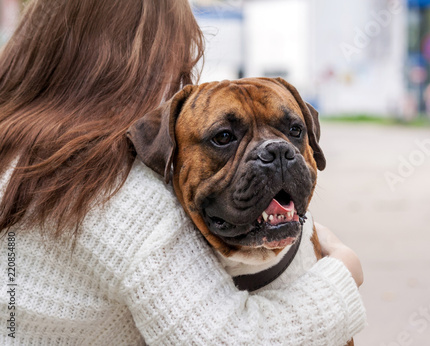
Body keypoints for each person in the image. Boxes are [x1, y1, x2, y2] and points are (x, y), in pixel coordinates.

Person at [0, 0, 366, 345]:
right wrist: (344, 273)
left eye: (293, 132)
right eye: (224, 137)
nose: (181, 81)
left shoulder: (12, 156)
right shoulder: (121, 194)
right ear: (131, 71)